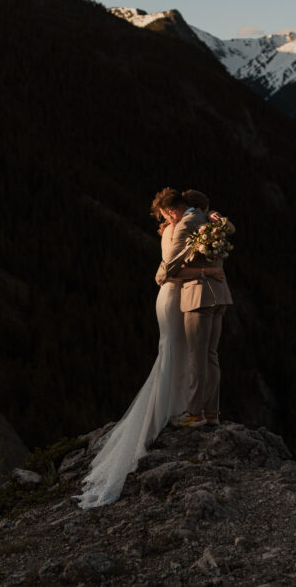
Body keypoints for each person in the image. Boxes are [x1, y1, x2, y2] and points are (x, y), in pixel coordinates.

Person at [75, 188, 225, 508]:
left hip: (178, 293)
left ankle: (182, 406)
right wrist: (206, 270)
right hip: (173, 294)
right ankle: (175, 409)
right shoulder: (184, 224)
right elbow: (168, 267)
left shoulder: (183, 224)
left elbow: (183, 255)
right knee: (177, 349)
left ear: (170, 211)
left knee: (182, 350)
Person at [159, 189, 233, 429]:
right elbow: (231, 230)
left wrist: (202, 272)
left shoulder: (185, 225)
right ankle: (212, 412)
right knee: (212, 356)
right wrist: (216, 215)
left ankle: (194, 413)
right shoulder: (212, 221)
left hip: (198, 296)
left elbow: (171, 270)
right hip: (221, 294)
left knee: (196, 355)